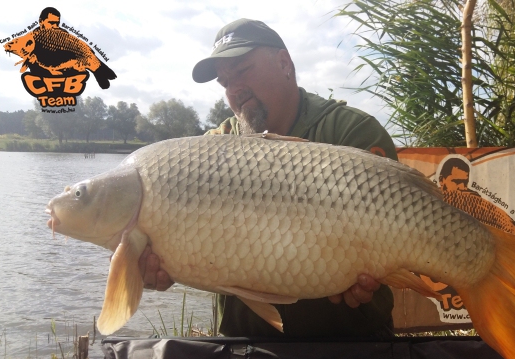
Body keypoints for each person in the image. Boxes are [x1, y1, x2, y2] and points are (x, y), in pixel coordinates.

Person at [139, 18, 398, 338]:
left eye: (243, 70)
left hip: (353, 345)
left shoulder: (349, 132)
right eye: (224, 82)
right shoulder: (209, 153)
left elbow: (396, 246)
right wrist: (159, 265)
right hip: (247, 347)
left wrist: (369, 282)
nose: (234, 90)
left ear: (285, 63)